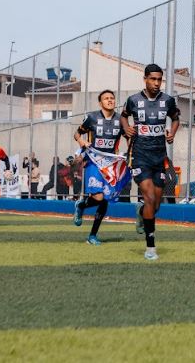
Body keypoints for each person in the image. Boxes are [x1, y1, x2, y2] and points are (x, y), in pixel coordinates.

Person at [121, 63, 180, 261]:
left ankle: (141, 212)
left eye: (159, 80)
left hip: (159, 157)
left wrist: (172, 132)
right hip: (140, 155)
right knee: (149, 197)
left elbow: (175, 119)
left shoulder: (168, 100)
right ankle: (151, 247)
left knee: (155, 205)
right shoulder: (133, 100)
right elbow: (123, 117)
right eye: (153, 79)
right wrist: (126, 128)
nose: (156, 83)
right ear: (145, 79)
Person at [72, 89, 125, 245]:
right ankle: (81, 205)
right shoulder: (92, 118)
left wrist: (129, 153)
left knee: (105, 200)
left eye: (112, 98)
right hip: (93, 161)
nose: (110, 100)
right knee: (98, 197)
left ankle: (92, 236)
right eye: (106, 98)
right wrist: (81, 141)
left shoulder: (121, 120)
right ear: (100, 102)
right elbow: (77, 134)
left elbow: (129, 137)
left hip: (110, 164)